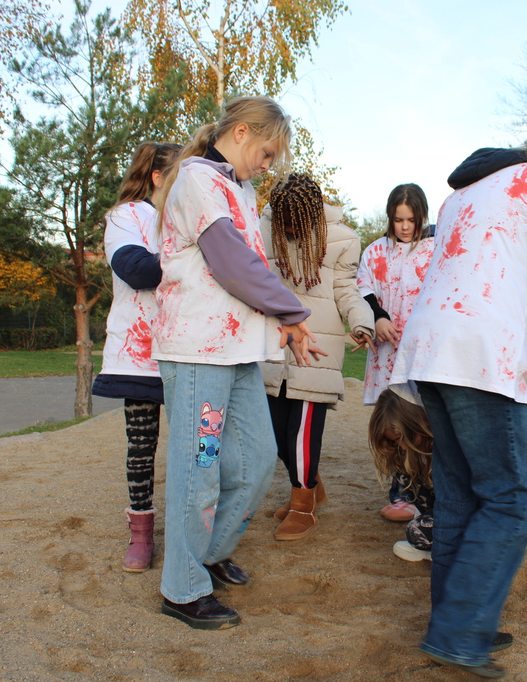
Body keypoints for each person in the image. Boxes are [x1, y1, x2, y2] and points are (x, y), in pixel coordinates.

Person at [389, 140, 527, 678]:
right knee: (512, 496)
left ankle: (455, 619)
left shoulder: (466, 190)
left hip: (430, 344)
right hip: (479, 348)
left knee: (459, 493)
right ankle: (459, 630)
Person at [151, 96, 319, 631]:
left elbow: (250, 269)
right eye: (266, 153)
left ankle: (209, 552)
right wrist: (292, 311)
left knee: (256, 459)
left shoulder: (240, 190)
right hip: (197, 353)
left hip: (238, 352)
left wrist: (282, 322)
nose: (267, 165)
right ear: (241, 132)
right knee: (199, 466)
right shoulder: (197, 180)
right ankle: (182, 588)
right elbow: (231, 263)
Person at [259, 173, 373, 541]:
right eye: (283, 222)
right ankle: (312, 487)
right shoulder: (261, 229)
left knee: (302, 431)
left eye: (296, 223)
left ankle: (303, 506)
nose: (289, 229)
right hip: (274, 344)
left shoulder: (343, 239)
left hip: (318, 346)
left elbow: (347, 290)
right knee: (274, 433)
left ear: (311, 216)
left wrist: (362, 322)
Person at [92, 141, 181, 572]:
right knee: (142, 446)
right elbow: (136, 269)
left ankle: (190, 528)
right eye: (180, 175)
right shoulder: (125, 217)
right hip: (140, 354)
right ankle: (141, 534)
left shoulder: (190, 217)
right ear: (157, 177)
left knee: (198, 445)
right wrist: (194, 262)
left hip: (188, 349)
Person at [356, 183, 435, 522]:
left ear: (422, 218)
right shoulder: (376, 251)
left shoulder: (436, 249)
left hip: (424, 354)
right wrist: (378, 317)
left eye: (411, 220)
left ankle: (430, 492)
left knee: (424, 422)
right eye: (398, 219)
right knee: (394, 424)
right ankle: (401, 493)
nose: (404, 227)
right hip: (388, 355)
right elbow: (363, 288)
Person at [367, 389, 435, 561]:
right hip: (439, 513)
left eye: (404, 438)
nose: (403, 446)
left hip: (463, 515)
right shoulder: (405, 456)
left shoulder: (442, 449)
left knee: (417, 531)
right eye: (396, 441)